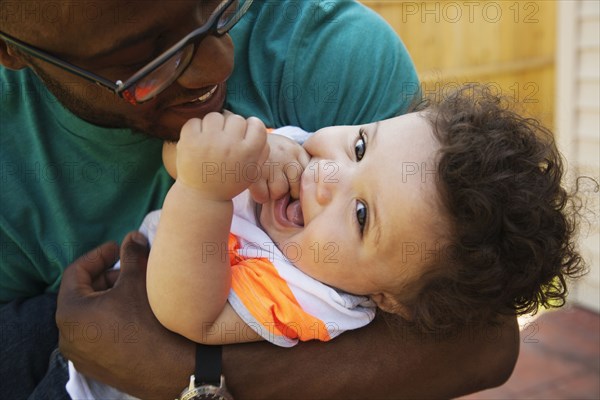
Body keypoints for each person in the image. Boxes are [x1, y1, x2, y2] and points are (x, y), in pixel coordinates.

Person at [0, 0, 521, 398]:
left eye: (221, 9)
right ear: (11, 50)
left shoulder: (315, 301)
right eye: (147, 60)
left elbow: (189, 315)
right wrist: (216, 157)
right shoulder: (299, 153)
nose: (329, 176)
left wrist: (186, 374)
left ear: (387, 298)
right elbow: (179, 157)